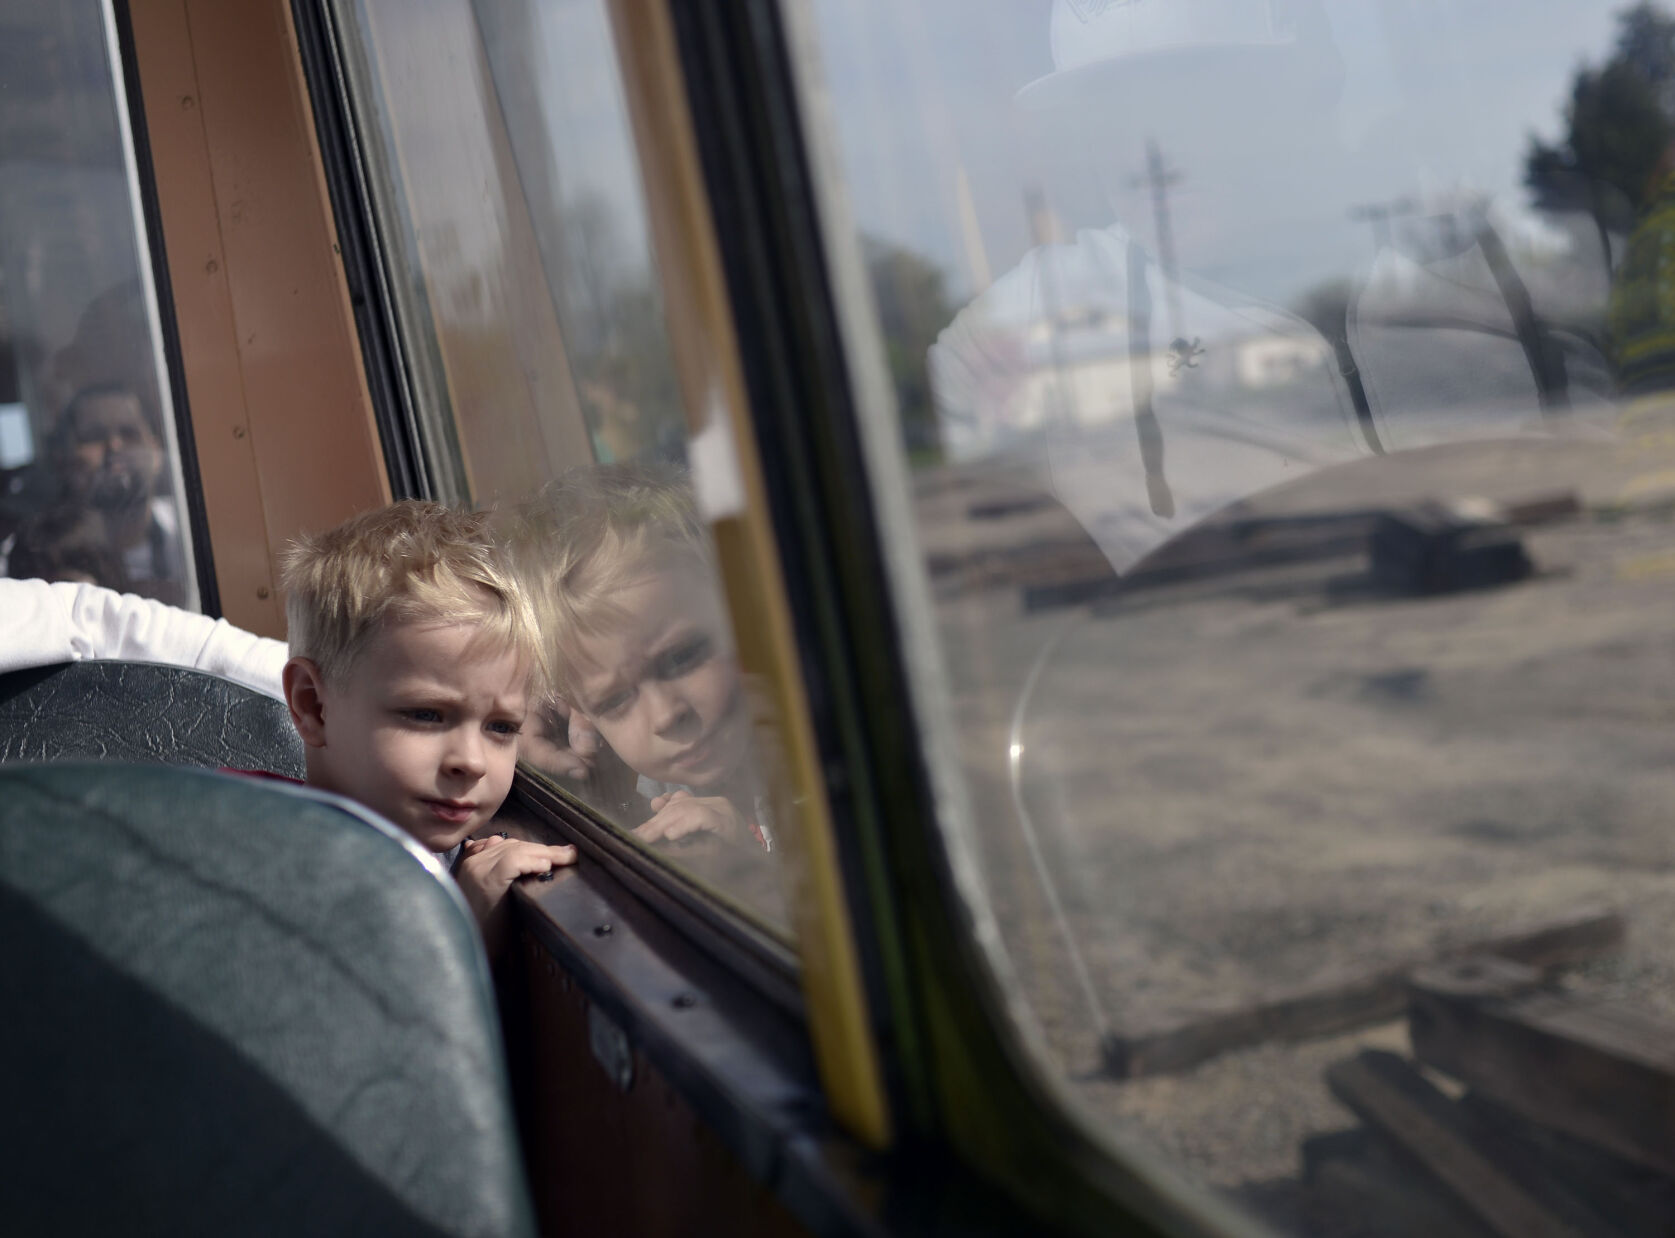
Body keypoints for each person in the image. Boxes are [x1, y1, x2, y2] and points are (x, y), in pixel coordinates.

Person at [278, 500, 576, 946]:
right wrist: (464, 935)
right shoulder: (280, 882)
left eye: (501, 727)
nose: (471, 762)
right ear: (313, 706)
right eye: (426, 715)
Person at [501, 462, 774, 852]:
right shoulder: (650, 789)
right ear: (582, 711)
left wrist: (750, 865)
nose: (666, 715)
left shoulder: (815, 758)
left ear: (741, 615)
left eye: (683, 658)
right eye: (614, 701)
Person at [10, 385, 188, 602]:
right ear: (63, 460)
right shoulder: (35, 553)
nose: (115, 446)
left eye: (129, 433)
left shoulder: (188, 535)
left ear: (156, 451)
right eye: (94, 436)